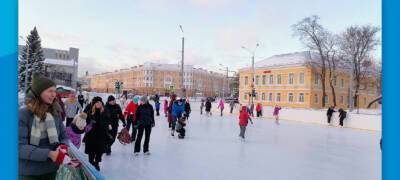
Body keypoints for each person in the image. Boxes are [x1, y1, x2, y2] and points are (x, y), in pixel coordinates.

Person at [19, 73, 70, 179]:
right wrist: (49, 154)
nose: (54, 94)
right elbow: (19, 147)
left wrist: (63, 146)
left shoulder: (55, 113)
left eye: (54, 91)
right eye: (50, 91)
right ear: (39, 92)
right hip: (28, 173)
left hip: (51, 170)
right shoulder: (24, 114)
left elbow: (64, 136)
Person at [84, 96, 111, 171]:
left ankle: (97, 162)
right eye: (97, 103)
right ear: (94, 104)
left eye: (100, 102)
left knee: (100, 151)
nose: (99, 104)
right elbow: (86, 124)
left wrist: (103, 124)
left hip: (101, 135)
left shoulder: (105, 112)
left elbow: (108, 121)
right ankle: (92, 163)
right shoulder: (90, 112)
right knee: (91, 155)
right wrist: (90, 124)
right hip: (91, 136)